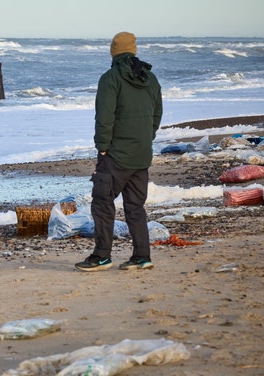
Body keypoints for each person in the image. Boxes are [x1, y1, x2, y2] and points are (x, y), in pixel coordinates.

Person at [75, 32, 163, 272]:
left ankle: (102, 256)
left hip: (116, 155)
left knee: (102, 203)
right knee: (135, 207)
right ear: (133, 51)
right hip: (141, 154)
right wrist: (146, 138)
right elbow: (156, 115)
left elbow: (104, 116)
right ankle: (142, 256)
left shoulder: (111, 78)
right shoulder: (151, 79)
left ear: (113, 52)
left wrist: (102, 147)